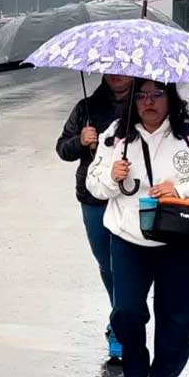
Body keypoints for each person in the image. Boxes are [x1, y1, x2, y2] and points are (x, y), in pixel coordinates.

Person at [85, 78, 189, 377]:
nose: (150, 102)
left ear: (171, 96)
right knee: (126, 311)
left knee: (177, 316)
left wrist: (180, 189)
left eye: (158, 95)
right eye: (143, 96)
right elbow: (94, 183)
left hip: (181, 238)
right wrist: (111, 176)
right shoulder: (115, 136)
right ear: (134, 100)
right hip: (128, 238)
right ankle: (137, 374)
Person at [56, 74, 134, 360]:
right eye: (110, 70)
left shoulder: (143, 104)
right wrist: (80, 140)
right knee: (107, 264)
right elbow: (62, 148)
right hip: (94, 197)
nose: (117, 76)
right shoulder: (87, 108)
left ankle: (121, 327)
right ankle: (120, 314)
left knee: (126, 263)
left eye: (122, 69)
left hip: (130, 197)